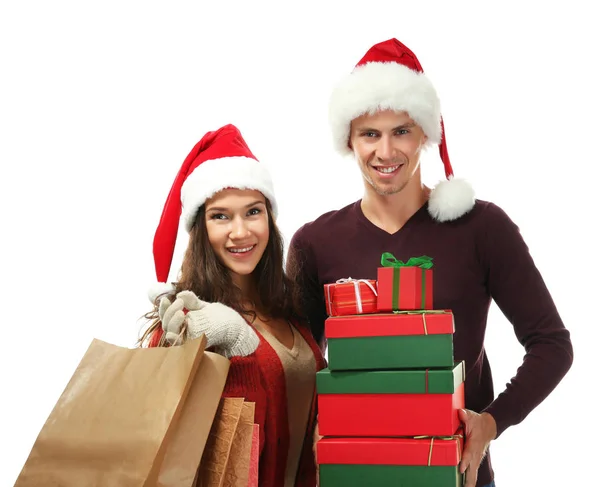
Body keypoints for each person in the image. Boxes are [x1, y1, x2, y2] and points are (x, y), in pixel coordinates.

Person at [286, 38, 573, 487]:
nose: (385, 152)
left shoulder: (483, 228)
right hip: (354, 475)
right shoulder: (314, 243)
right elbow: (297, 367)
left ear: (426, 132)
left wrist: (492, 422)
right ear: (349, 140)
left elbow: (552, 345)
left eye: (401, 130)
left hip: (457, 475)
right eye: (370, 134)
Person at [140, 124, 326, 487]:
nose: (240, 232)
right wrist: (210, 349)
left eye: (253, 212)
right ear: (201, 229)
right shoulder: (189, 320)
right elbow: (169, 443)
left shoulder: (290, 307)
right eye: (220, 216)